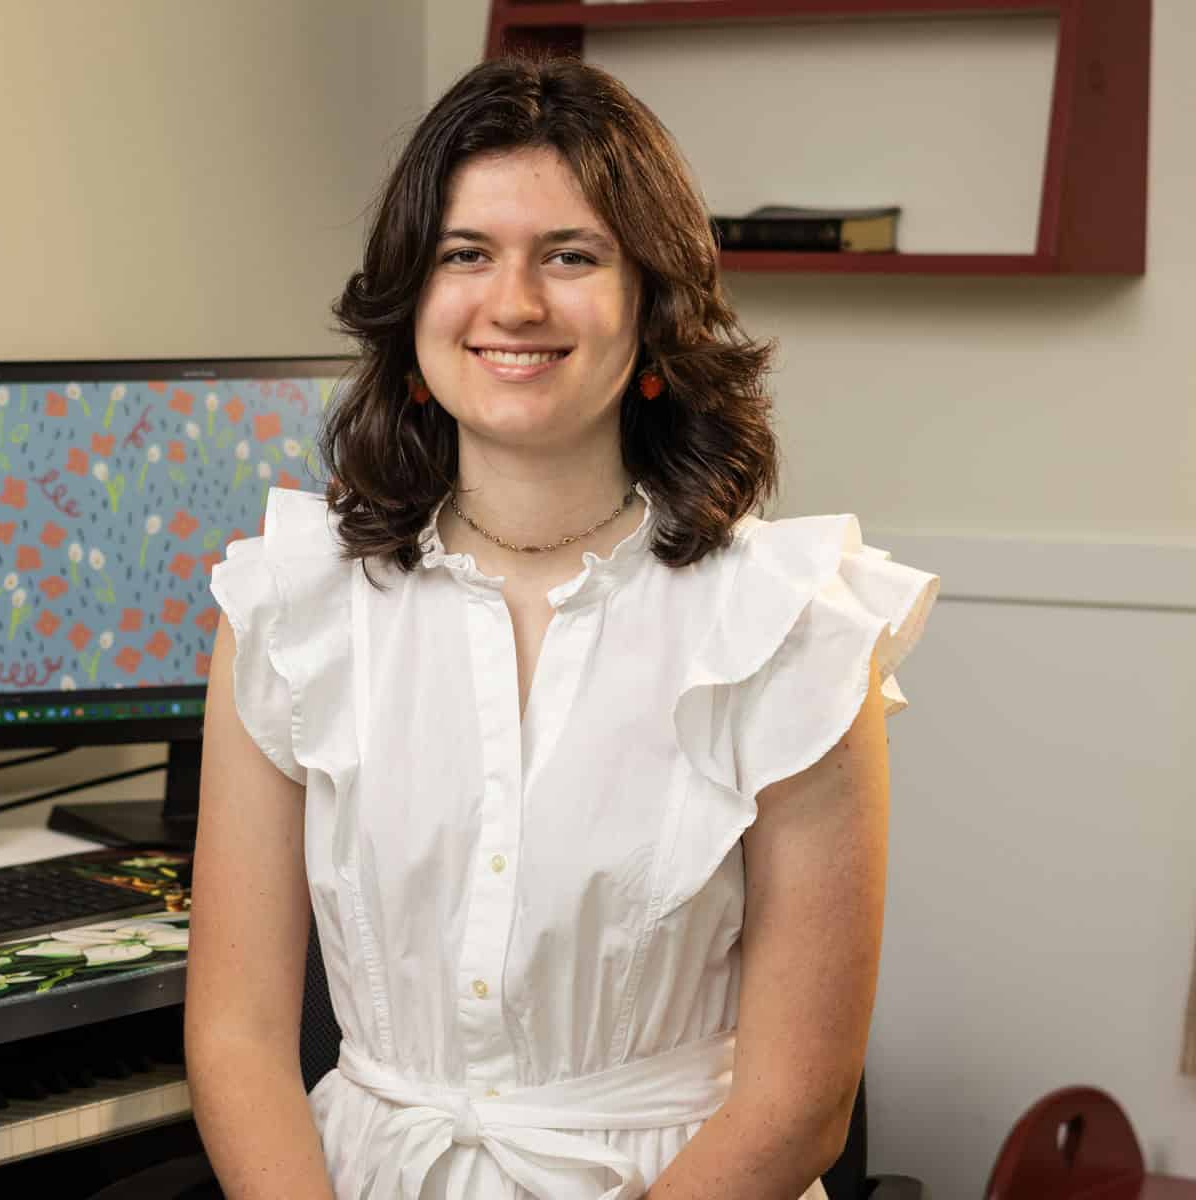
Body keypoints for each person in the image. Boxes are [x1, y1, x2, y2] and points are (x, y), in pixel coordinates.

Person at [185, 55, 938, 1200]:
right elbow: (237, 1041)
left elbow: (800, 1109)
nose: (515, 303)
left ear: (652, 303)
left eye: (571, 256)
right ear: (413, 302)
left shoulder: (791, 628)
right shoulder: (288, 613)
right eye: (466, 254)